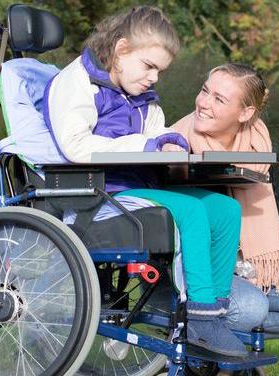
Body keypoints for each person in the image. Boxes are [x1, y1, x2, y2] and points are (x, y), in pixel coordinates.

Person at [42, 6, 247, 356]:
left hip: (139, 188)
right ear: (122, 50)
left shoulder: (139, 93)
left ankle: (216, 311)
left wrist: (169, 141)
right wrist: (146, 144)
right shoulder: (76, 82)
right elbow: (74, 145)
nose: (154, 78)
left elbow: (154, 133)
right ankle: (200, 319)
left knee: (226, 210)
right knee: (192, 213)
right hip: (97, 197)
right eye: (149, 66)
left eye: (160, 71)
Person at [172, 63, 279, 339]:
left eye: (219, 99)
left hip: (251, 265)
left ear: (245, 113)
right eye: (205, 91)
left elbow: (278, 211)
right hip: (199, 271)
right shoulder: (175, 144)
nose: (203, 103)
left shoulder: (260, 146)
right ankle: (205, 346)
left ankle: (219, 340)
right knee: (250, 307)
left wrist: (271, 266)